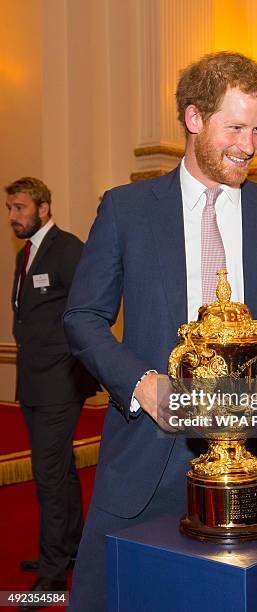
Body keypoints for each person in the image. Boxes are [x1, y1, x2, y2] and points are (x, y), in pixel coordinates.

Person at [63, 51, 257, 610]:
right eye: (235, 127)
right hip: (148, 456)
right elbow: (82, 317)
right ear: (194, 119)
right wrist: (142, 385)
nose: (249, 145)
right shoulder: (126, 209)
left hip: (255, 463)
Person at [5, 177, 99, 607]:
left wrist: (68, 360)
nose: (12, 216)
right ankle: (72, 545)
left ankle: (53, 572)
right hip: (33, 381)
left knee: (46, 476)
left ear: (44, 208)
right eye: (9, 208)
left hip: (60, 381)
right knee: (58, 471)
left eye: (19, 208)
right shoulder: (27, 253)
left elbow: (86, 309)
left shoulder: (67, 247)